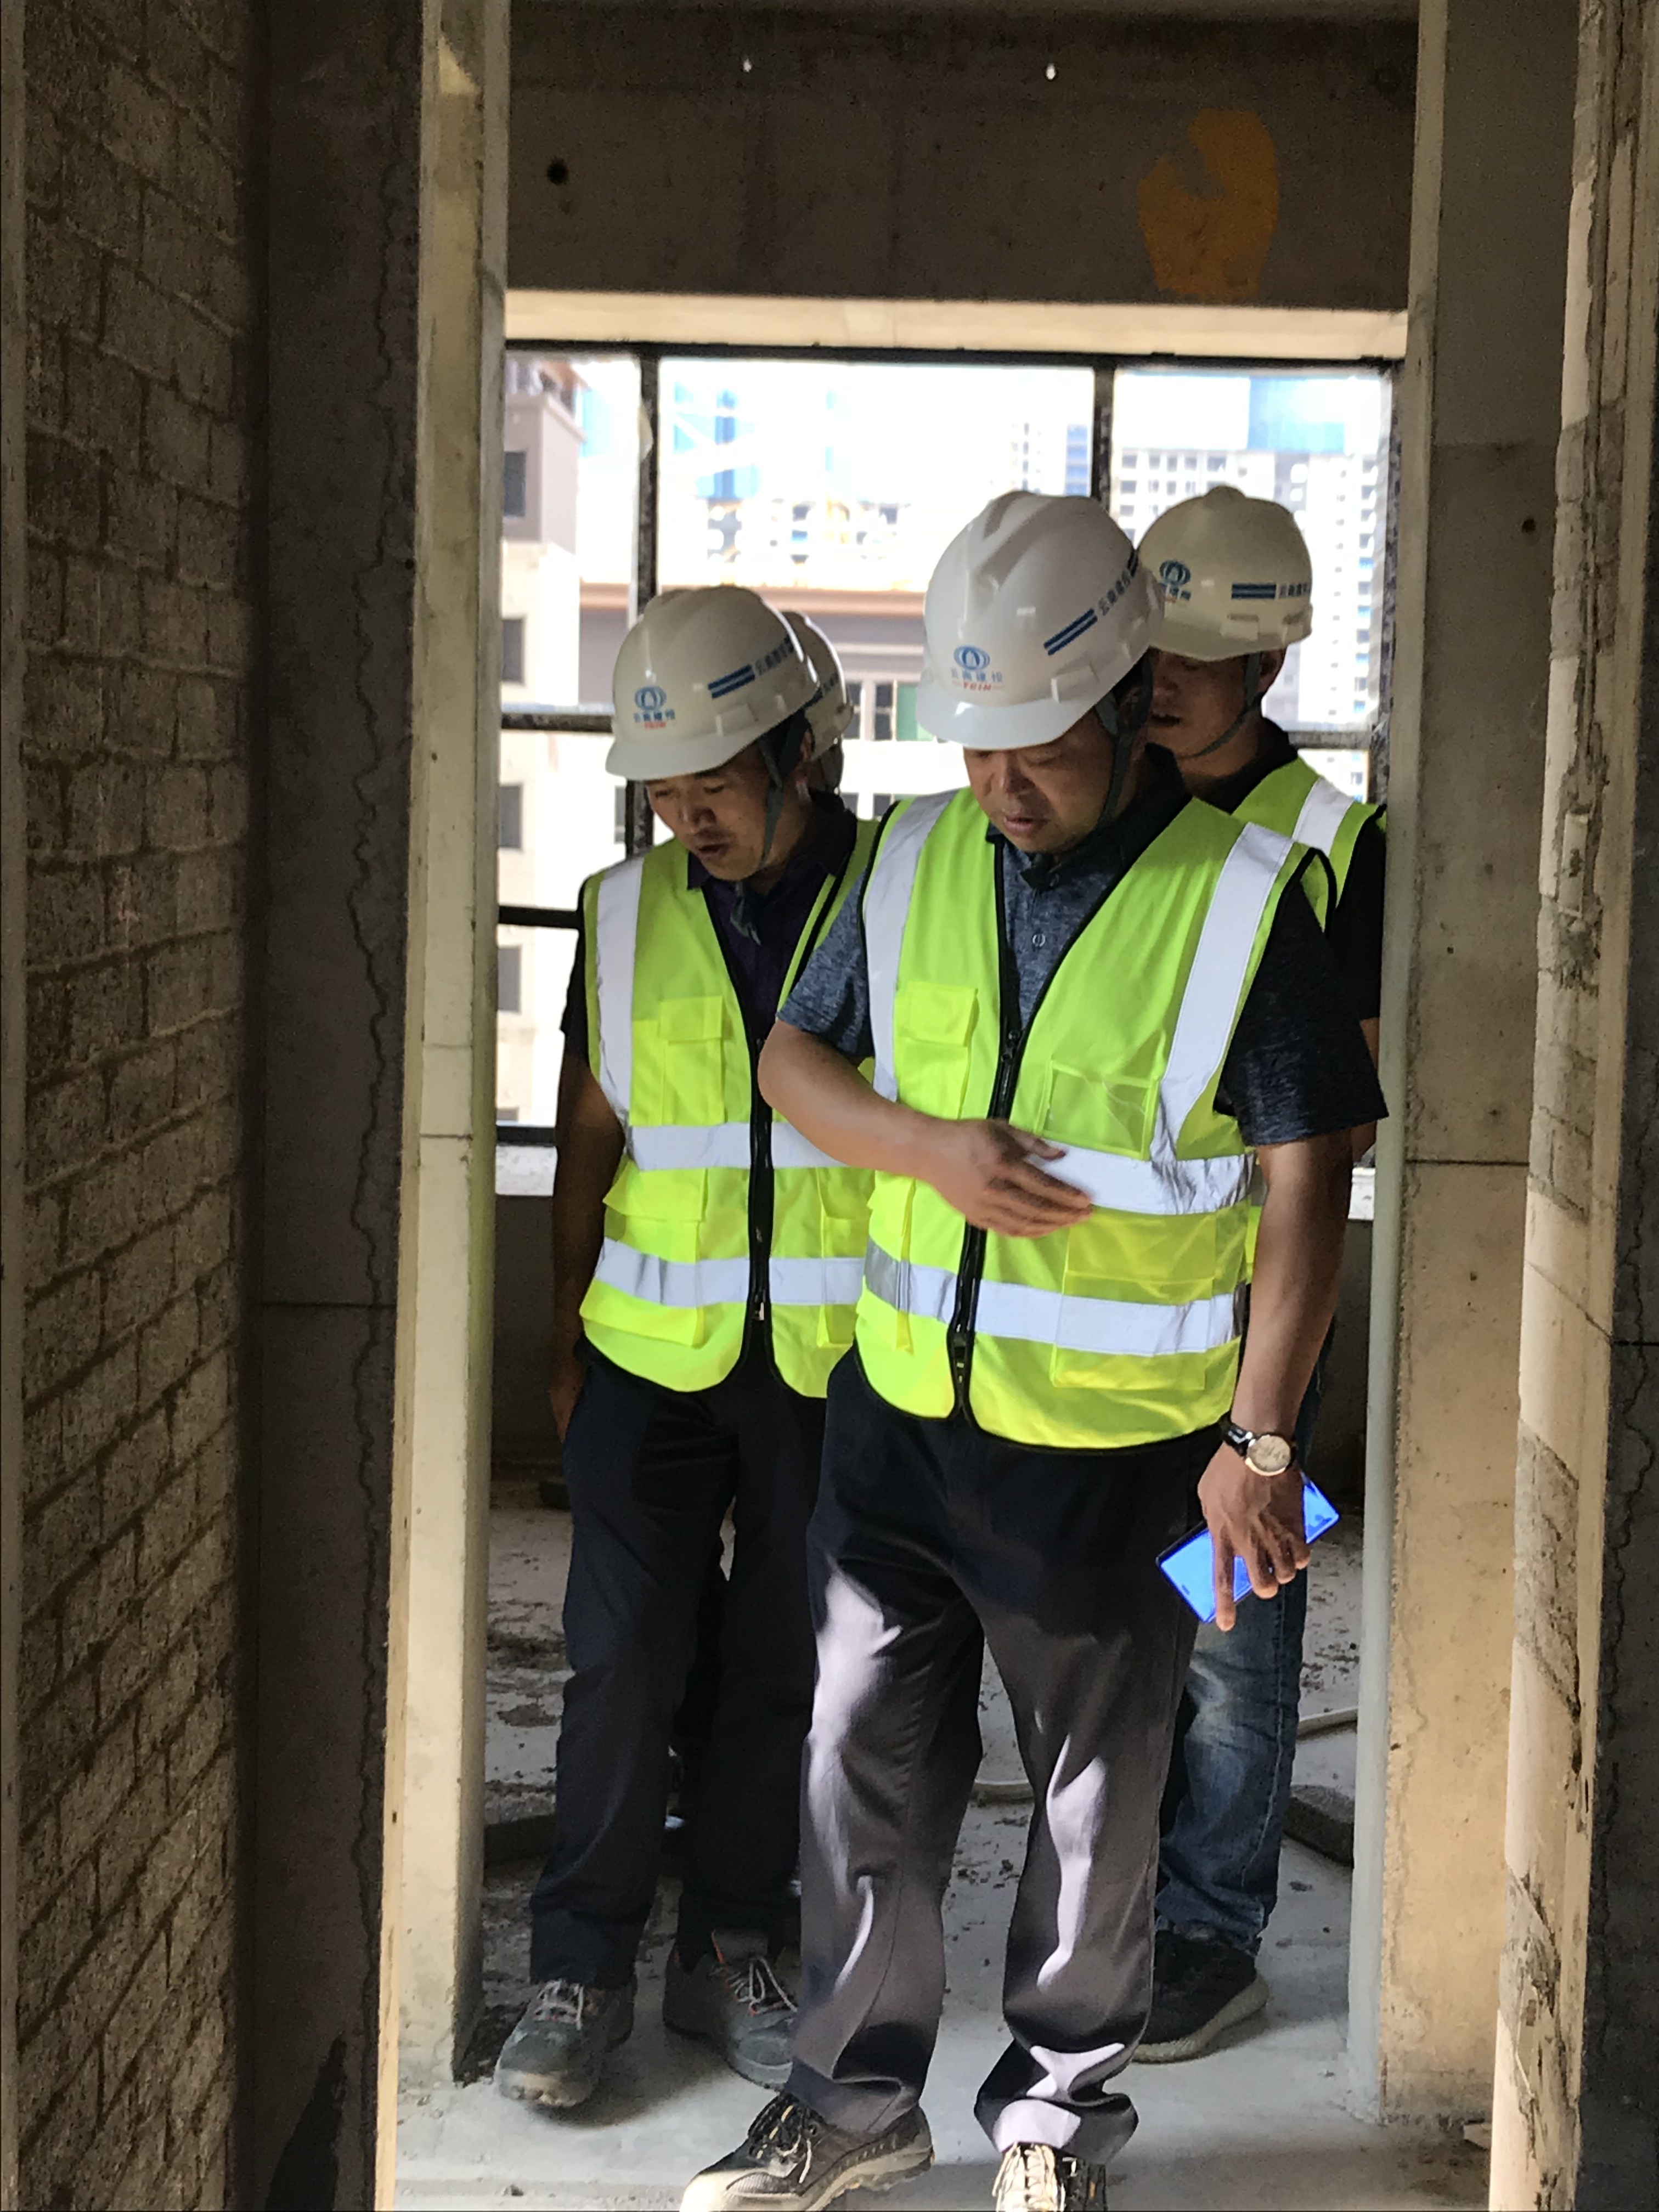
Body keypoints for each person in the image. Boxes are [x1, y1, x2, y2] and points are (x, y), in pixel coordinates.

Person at [683, 493, 1386, 2212]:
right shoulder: (915, 858)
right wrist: (926, 1150)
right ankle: (852, 2103)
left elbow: (1311, 1182)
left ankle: (1057, 2117)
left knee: (1093, 1807)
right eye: (978, 743)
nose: (1004, 783)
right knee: (857, 1764)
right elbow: (791, 1061)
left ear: (1132, 699)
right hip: (899, 1421)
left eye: (1044, 747)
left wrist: (1261, 1445)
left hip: (1114, 1445)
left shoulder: (1246, 899)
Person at [494, 587, 878, 2112]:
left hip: (834, 1364)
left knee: (784, 1672)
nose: (685, 817)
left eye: (713, 783)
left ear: (800, 755)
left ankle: (732, 1948)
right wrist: (564, 1332)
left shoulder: (901, 898)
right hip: (647, 1358)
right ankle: (578, 1969)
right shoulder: (621, 911)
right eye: (663, 791)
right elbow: (588, 1138)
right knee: (621, 1661)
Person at [1133, 487, 1384, 2063]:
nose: (1163, 678)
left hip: (1249, 1312)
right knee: (1120, 1623)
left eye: (1198, 656)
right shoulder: (1109, 809)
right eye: (1149, 649)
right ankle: (1126, 1898)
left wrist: (1268, 1418)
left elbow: (1332, 1130)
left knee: (1232, 1636)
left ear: (1269, 664)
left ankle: (1210, 1933)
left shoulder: (1331, 845)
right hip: (1106, 1304)